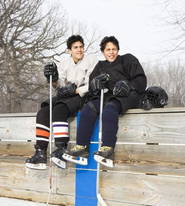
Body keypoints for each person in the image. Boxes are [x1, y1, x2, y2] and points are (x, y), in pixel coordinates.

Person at [62, 36, 147, 167]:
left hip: (126, 95)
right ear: (103, 52)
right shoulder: (100, 66)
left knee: (109, 110)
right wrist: (95, 85)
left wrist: (128, 86)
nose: (111, 52)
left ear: (118, 50)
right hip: (107, 96)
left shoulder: (127, 59)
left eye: (114, 49)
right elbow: (92, 85)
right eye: (108, 49)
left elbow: (141, 80)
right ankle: (81, 148)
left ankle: (107, 148)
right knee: (88, 110)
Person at [25, 35, 98, 169]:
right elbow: (59, 85)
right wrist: (53, 80)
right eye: (76, 47)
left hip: (82, 95)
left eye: (81, 47)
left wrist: (75, 91)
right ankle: (41, 152)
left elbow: (92, 83)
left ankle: (60, 150)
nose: (79, 50)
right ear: (69, 50)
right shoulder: (64, 63)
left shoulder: (91, 61)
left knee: (59, 109)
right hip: (66, 95)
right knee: (43, 112)